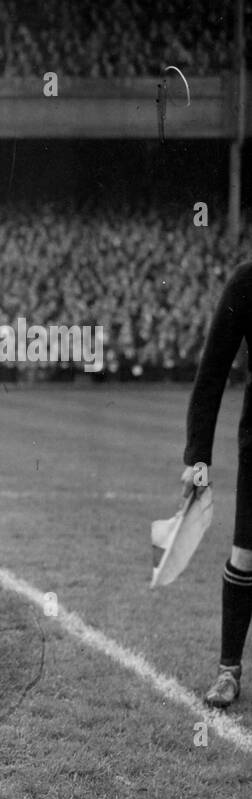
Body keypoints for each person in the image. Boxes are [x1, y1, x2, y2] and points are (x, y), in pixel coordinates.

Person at [183, 260, 252, 709]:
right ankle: (228, 671)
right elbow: (211, 375)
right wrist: (198, 459)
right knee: (246, 554)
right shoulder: (246, 283)